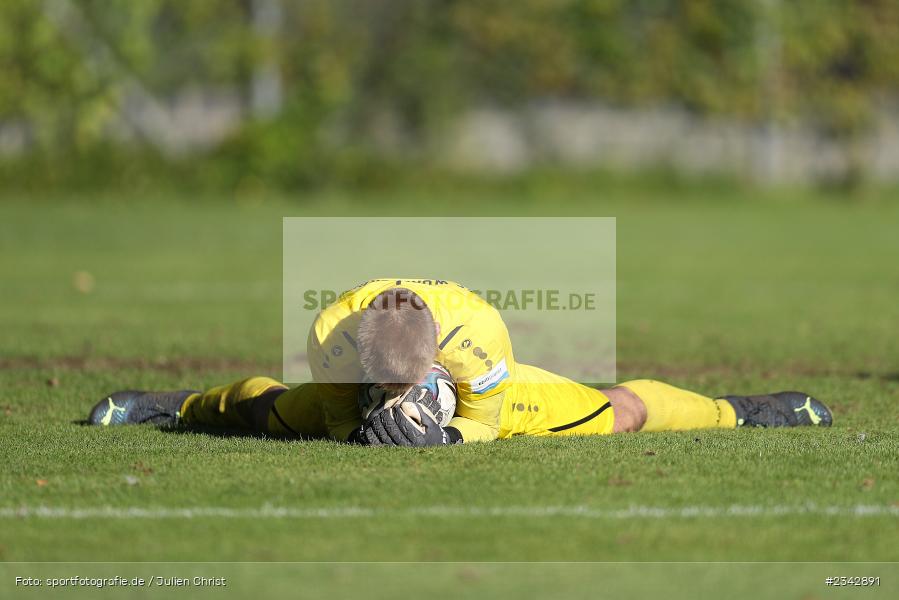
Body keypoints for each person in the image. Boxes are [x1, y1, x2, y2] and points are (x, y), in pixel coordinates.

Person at [87, 278, 832, 445]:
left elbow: (486, 417)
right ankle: (177, 404)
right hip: (351, 374)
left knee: (619, 412)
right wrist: (361, 425)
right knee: (269, 412)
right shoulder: (332, 337)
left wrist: (444, 435)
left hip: (496, 397)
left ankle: (744, 411)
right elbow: (341, 411)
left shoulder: (480, 340)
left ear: (438, 360)